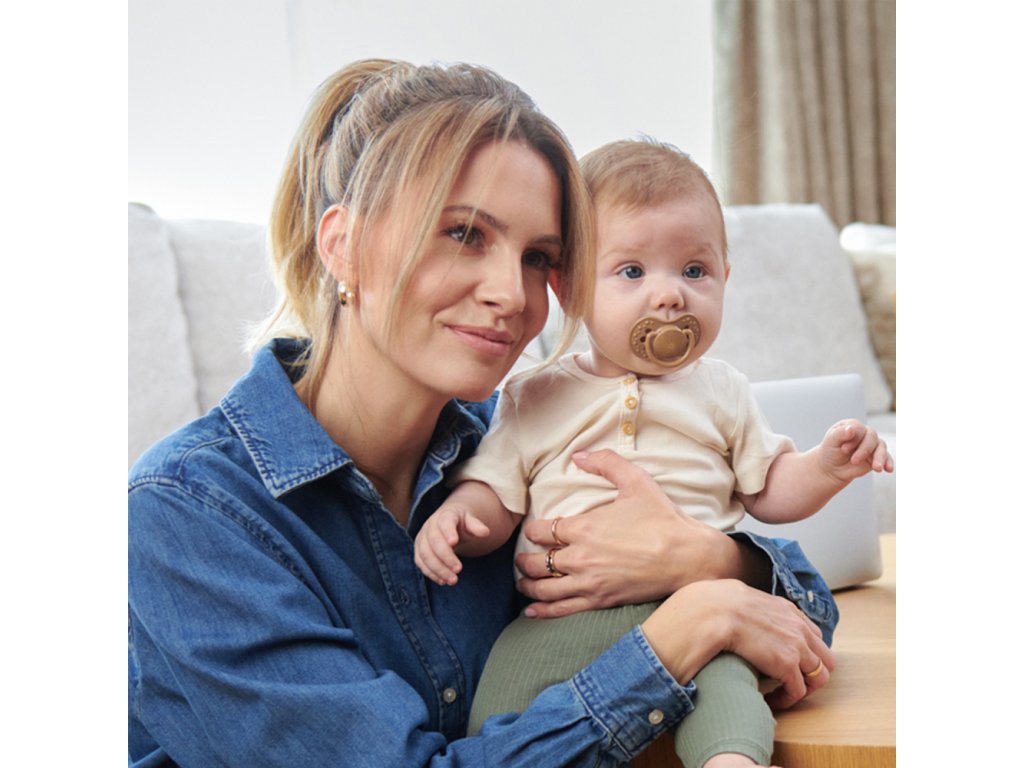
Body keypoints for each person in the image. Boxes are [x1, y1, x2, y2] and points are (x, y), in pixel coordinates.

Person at [129, 60, 837, 768]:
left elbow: (810, 615)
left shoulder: (516, 438)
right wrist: (681, 635)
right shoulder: (189, 513)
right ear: (343, 244)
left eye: (537, 257)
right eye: (465, 234)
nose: (513, 295)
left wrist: (709, 560)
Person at [414, 139, 892, 767]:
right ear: (570, 289)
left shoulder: (722, 390)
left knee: (727, 688)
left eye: (693, 271)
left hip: (696, 605)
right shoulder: (536, 393)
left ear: (724, 278)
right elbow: (496, 493)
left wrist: (825, 467)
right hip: (558, 618)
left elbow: (770, 488)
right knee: (499, 701)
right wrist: (459, 518)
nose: (669, 296)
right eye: (633, 272)